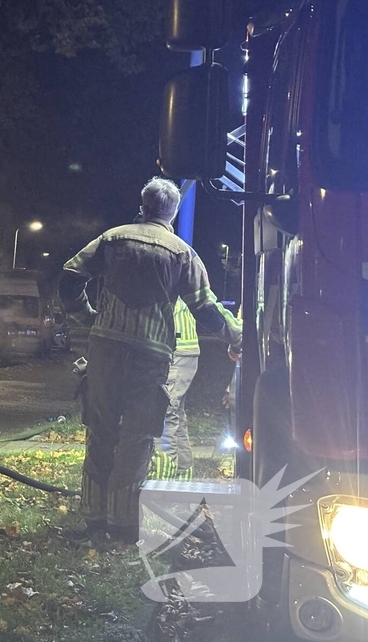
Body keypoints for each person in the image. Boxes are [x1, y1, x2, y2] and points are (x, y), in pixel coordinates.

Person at [59, 177, 242, 545]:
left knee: (100, 432)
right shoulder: (182, 253)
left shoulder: (113, 238)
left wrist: (88, 317)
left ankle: (94, 519)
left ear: (143, 206)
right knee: (137, 438)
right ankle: (124, 525)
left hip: (105, 350)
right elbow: (205, 308)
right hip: (150, 356)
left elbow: (70, 276)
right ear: (172, 213)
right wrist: (237, 336)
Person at [150, 299, 200, 481]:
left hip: (174, 348)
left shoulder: (167, 276)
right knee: (176, 416)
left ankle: (162, 484)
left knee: (162, 416)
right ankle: (182, 481)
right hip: (185, 347)